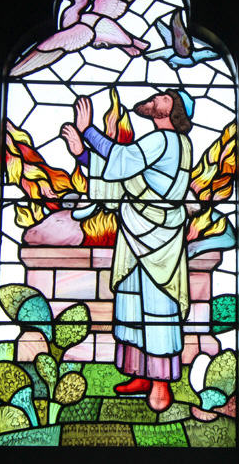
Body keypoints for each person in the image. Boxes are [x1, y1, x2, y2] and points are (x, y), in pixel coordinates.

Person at [61, 90, 195, 412]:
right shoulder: (163, 146)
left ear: (173, 110)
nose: (155, 97)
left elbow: (121, 160)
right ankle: (140, 373)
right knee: (132, 303)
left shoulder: (164, 141)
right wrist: (81, 155)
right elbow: (125, 181)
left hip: (157, 239)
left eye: (164, 97)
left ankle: (161, 384)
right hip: (136, 231)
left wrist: (88, 131)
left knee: (157, 307)